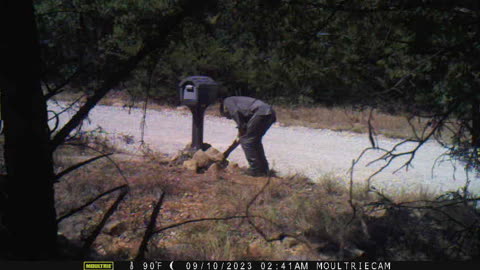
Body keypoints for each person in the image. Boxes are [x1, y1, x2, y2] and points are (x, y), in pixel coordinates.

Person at [220, 96, 276, 176]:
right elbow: (241, 136)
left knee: (248, 141)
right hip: (269, 113)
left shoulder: (227, 101)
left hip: (261, 112)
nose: (229, 118)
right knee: (254, 141)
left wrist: (240, 125)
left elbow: (235, 112)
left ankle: (256, 170)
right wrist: (227, 152)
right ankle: (263, 169)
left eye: (227, 116)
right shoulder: (244, 111)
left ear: (225, 109)